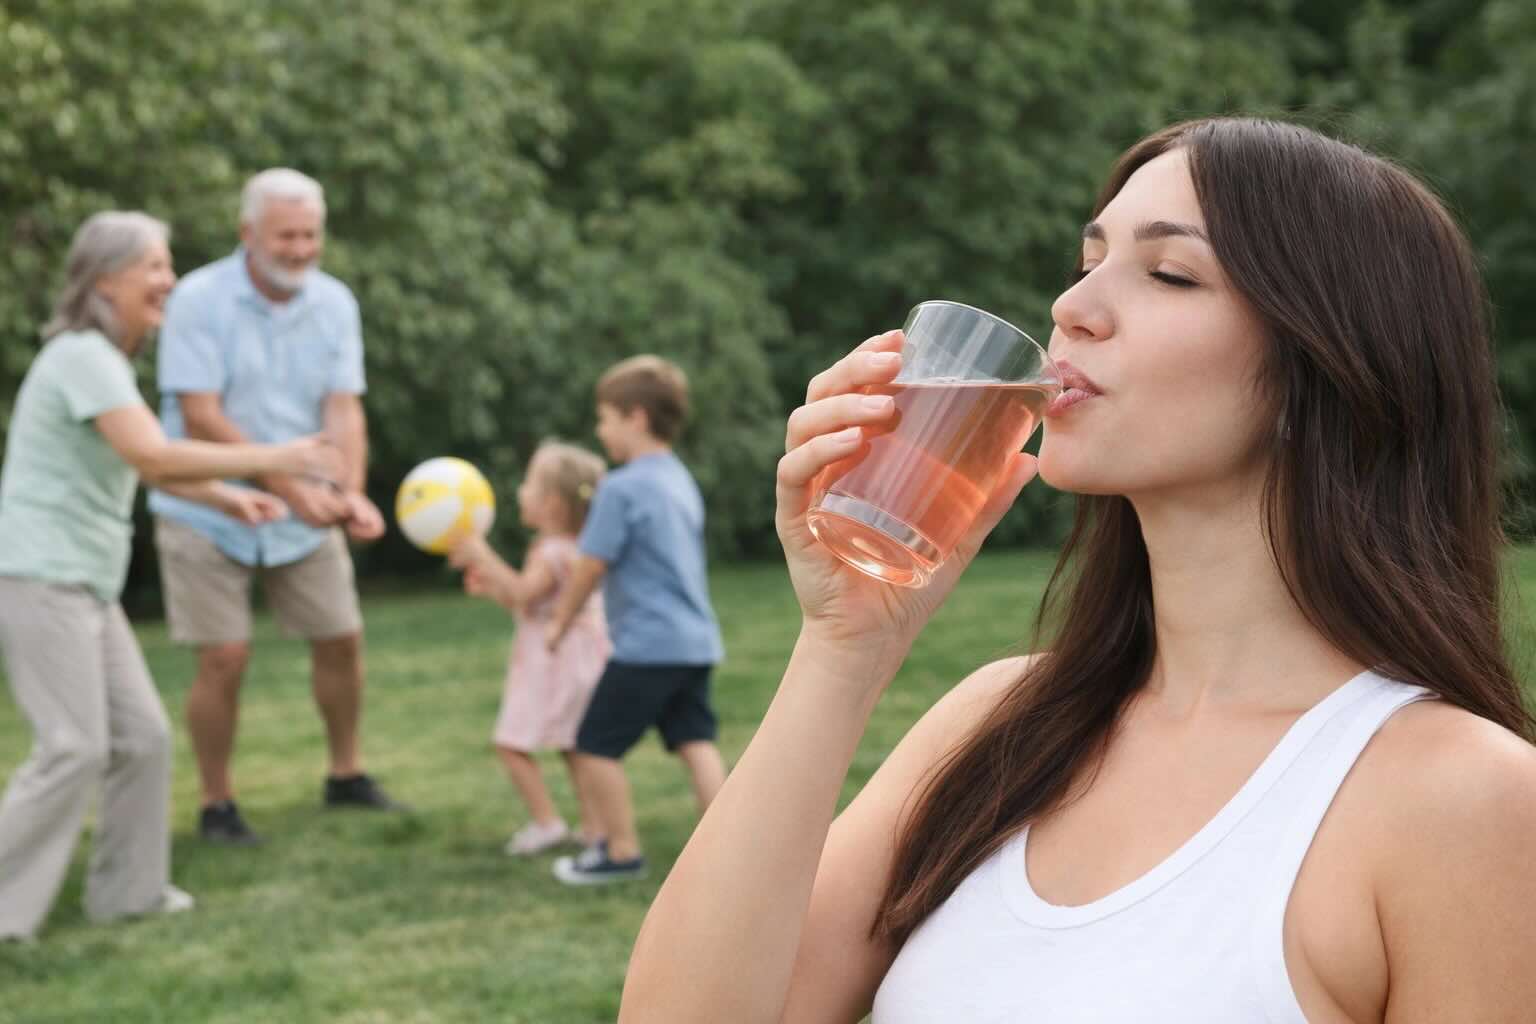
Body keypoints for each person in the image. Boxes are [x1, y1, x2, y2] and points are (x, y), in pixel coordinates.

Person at [620, 117, 1536, 1021]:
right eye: (1088, 260)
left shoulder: (1466, 802)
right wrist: (843, 646)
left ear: (1331, 370)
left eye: (1169, 273)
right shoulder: (997, 727)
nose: (1070, 308)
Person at [0, 211, 343, 941]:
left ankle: (129, 894)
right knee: (73, 746)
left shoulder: (105, 363)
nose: (170, 281)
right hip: (40, 573)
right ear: (104, 281)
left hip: (84, 578)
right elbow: (155, 455)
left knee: (143, 737)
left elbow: (143, 457)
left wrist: (226, 494)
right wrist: (272, 459)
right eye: (153, 267)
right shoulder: (82, 356)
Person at [146, 168, 403, 846]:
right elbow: (200, 415)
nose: (299, 249)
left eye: (310, 235)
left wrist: (348, 496)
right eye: (285, 235)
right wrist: (291, 486)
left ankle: (346, 773)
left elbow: (343, 407)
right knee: (225, 655)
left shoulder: (335, 303)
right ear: (248, 234)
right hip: (209, 502)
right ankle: (216, 803)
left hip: (307, 503)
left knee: (342, 638)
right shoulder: (198, 298)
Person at [542, 355, 728, 885]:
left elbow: (588, 566)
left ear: (636, 417)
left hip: (648, 645)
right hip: (695, 641)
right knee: (694, 740)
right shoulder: (679, 480)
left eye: (605, 419)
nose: (601, 431)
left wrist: (559, 622)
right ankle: (726, 849)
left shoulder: (620, 488)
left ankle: (619, 852)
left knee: (595, 745)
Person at [448, 440, 610, 855]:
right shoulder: (578, 548)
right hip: (581, 657)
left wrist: (481, 553)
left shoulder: (550, 550)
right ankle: (595, 829)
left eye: (527, 484)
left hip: (553, 662)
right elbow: (531, 603)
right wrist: (492, 589)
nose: (520, 492)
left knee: (511, 743)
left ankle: (547, 823)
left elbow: (524, 594)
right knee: (575, 746)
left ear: (553, 504)